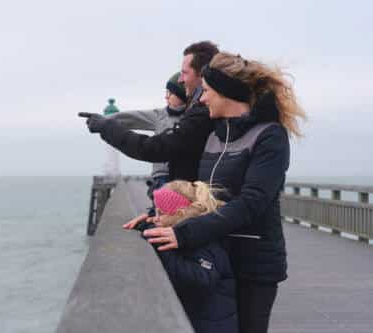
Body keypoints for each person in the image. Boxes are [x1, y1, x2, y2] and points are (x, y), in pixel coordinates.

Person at [80, 51, 306, 333]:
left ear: (226, 93)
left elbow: (252, 203)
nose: (200, 99)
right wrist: (160, 216)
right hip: (217, 255)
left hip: (253, 265)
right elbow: (199, 195)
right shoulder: (214, 135)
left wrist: (182, 233)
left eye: (207, 91)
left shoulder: (269, 136)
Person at [78, 40, 219, 182]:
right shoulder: (197, 110)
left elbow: (155, 149)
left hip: (191, 196)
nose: (180, 80)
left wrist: (106, 126)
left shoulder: (203, 113)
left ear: (202, 75)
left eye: (184, 73)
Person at [134, 180, 238, 333]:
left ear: (181, 214)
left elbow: (199, 280)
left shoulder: (205, 242)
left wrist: (161, 245)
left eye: (161, 213)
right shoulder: (189, 235)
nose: (155, 219)